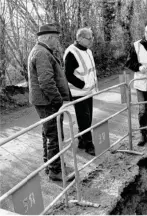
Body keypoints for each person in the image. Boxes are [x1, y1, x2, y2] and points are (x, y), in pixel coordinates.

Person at [28, 23, 74, 181]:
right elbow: (46, 81)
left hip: (45, 101)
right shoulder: (42, 53)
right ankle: (55, 170)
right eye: (56, 39)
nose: (57, 42)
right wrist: (58, 100)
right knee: (54, 135)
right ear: (48, 38)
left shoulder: (42, 51)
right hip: (48, 102)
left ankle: (50, 164)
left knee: (48, 133)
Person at [63, 27, 98, 156]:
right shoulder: (71, 52)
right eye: (89, 38)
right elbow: (68, 74)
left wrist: (90, 85)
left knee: (87, 118)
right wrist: (83, 85)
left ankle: (82, 140)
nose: (92, 41)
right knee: (84, 118)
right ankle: (89, 144)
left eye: (92, 38)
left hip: (89, 91)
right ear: (80, 38)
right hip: (79, 92)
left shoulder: (87, 51)